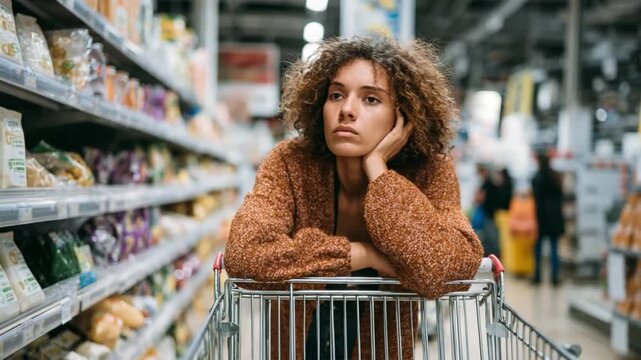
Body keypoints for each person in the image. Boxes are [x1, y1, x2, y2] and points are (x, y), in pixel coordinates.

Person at [225, 36, 483, 359]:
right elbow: (244, 255)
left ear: (402, 116)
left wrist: (379, 172)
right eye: (336, 95)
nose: (347, 110)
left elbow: (448, 272)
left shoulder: (429, 172)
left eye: (371, 100)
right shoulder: (290, 163)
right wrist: (361, 255)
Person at [531, 151, 565, 285]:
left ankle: (537, 276)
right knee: (554, 248)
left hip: (542, 218)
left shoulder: (537, 178)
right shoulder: (556, 176)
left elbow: (537, 200)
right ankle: (555, 277)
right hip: (555, 218)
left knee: (538, 248)